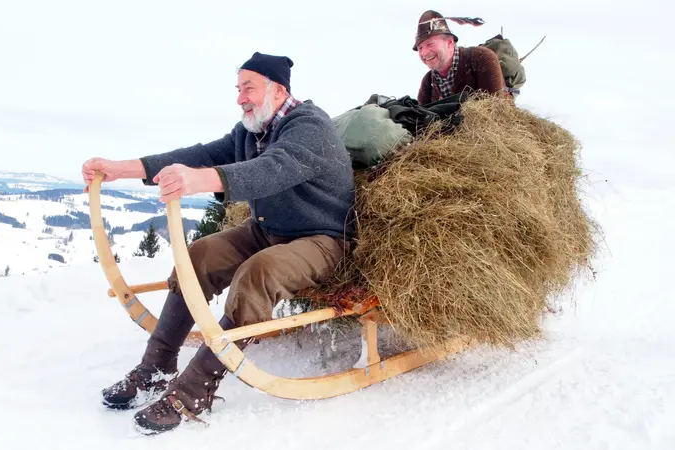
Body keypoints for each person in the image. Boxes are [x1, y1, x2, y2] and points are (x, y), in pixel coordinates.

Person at [81, 51, 356, 435]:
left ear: (277, 91)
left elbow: (271, 170)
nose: (240, 98)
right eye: (238, 88)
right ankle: (156, 365)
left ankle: (193, 391)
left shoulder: (310, 126)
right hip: (267, 231)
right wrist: (120, 168)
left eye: (249, 88)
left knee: (258, 273)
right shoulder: (250, 131)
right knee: (199, 255)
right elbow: (200, 155)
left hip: (323, 239)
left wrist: (200, 180)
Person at [414, 10, 506, 105]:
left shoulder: (482, 58)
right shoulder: (427, 81)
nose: (424, 53)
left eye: (430, 44)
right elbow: (420, 116)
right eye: (420, 48)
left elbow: (494, 110)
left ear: (449, 42)